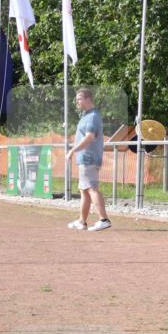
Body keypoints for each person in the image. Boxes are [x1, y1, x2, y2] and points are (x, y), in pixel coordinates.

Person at [66, 88, 111, 232]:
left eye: (79, 98)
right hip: (85, 158)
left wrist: (72, 150)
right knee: (84, 191)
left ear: (87, 99)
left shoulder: (92, 116)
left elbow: (90, 137)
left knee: (91, 188)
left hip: (88, 158)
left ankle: (104, 219)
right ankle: (82, 221)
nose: (77, 102)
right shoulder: (86, 115)